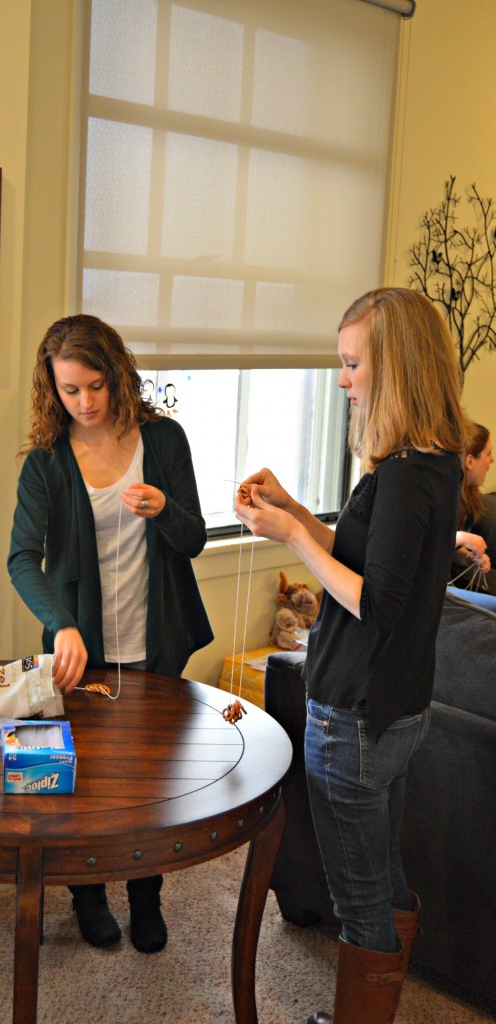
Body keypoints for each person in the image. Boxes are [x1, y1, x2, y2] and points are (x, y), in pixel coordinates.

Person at [235, 287, 466, 1024]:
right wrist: (296, 512)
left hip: (354, 715)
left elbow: (375, 603)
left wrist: (291, 539)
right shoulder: (430, 463)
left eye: (350, 363)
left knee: (357, 898)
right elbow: (374, 564)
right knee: (383, 872)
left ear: (393, 367)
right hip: (394, 708)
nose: (341, 379)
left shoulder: (401, 475)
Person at [7, 313, 213, 954]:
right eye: (71, 390)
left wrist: (163, 508)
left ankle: (146, 897)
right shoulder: (47, 462)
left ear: (118, 375)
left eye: (95, 385)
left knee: (151, 783)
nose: (86, 402)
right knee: (87, 788)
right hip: (82, 654)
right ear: (52, 388)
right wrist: (61, 624)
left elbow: (195, 539)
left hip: (157, 643)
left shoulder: (165, 440)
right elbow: (21, 559)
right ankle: (89, 896)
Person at [450, 421, 495, 593]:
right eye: (488, 454)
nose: (492, 460)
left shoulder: (469, 498)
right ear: (470, 461)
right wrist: (460, 538)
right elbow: (427, 546)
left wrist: (468, 557)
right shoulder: (444, 496)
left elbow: (448, 552)